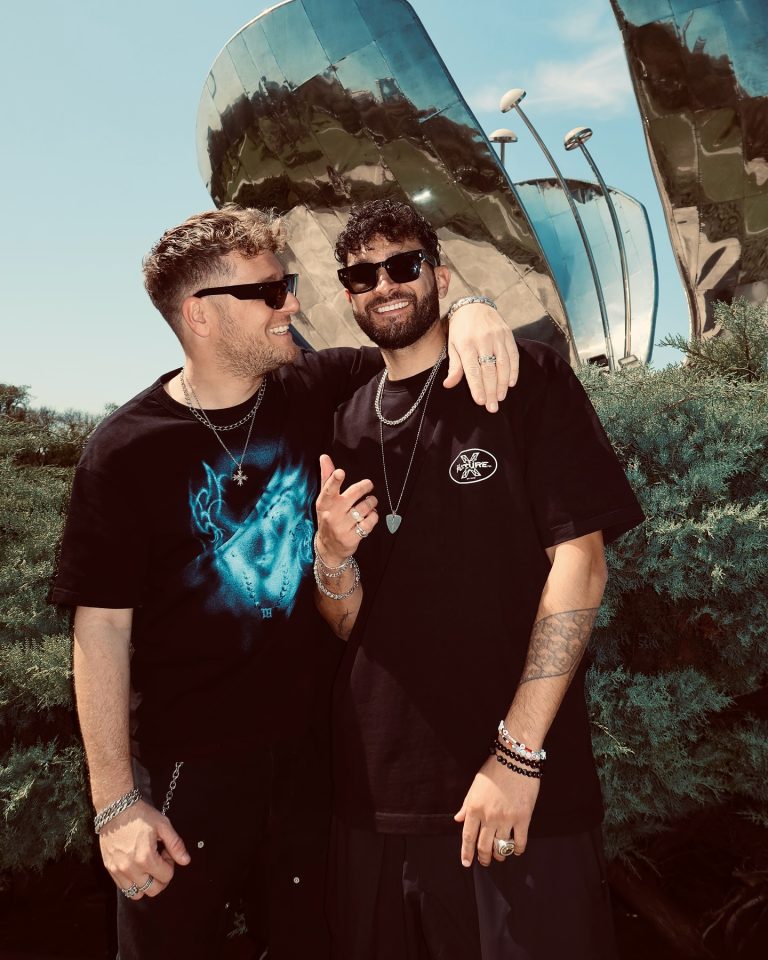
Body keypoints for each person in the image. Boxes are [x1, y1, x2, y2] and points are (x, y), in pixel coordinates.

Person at [48, 204, 518, 959]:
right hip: (186, 773)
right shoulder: (125, 452)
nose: (291, 306)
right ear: (200, 315)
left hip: (319, 766)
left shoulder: (315, 385)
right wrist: (114, 805)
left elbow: (410, 338)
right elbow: (100, 627)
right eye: (269, 292)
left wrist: (471, 307)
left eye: (287, 286)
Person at [313, 198, 645, 960]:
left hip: (518, 793)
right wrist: (331, 560)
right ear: (348, 295)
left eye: (404, 265)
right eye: (362, 276)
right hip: (373, 802)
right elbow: (351, 626)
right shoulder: (342, 425)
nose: (384, 286)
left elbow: (582, 564)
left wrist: (518, 753)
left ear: (441, 275)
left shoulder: (526, 380)